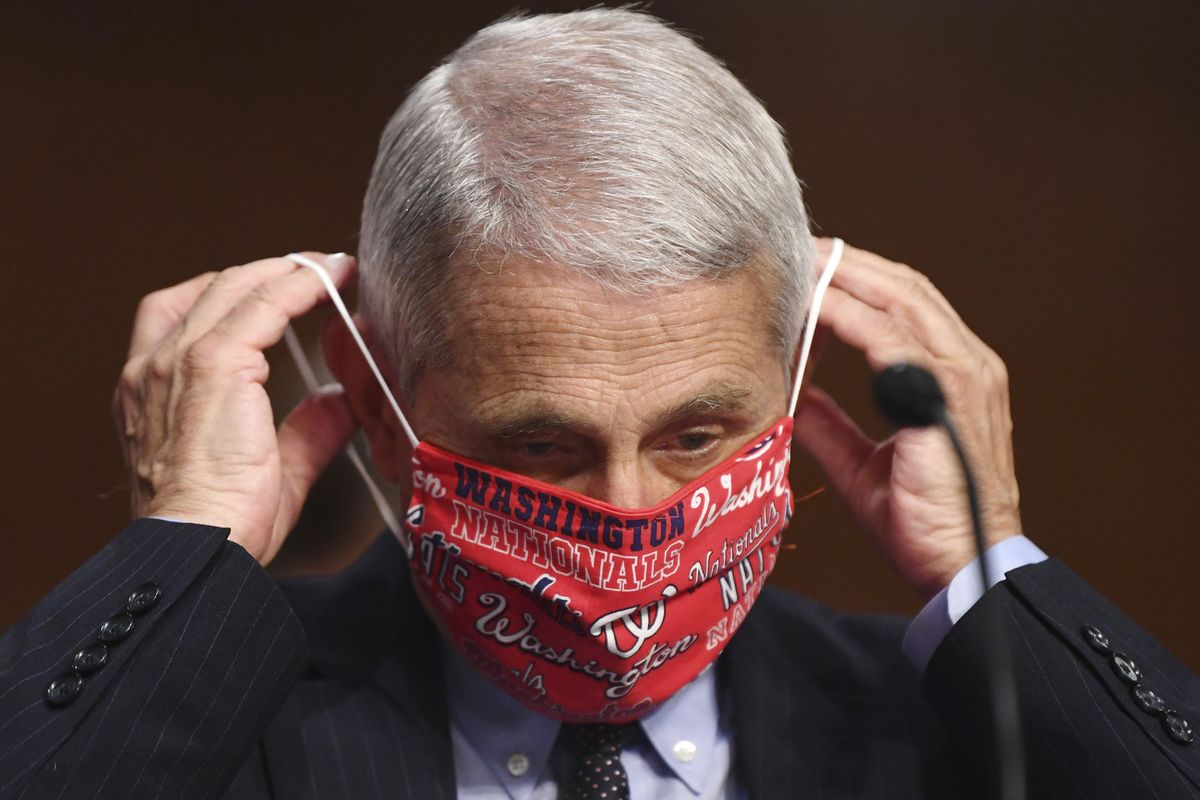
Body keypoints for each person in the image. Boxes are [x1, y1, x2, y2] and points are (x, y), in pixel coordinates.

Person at [1, 8, 1196, 799]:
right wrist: (185, 541)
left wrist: (991, 570)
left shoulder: (962, 728)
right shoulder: (199, 725)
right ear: (374, 400)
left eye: (696, 433)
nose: (632, 518)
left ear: (789, 391)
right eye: (542, 441)